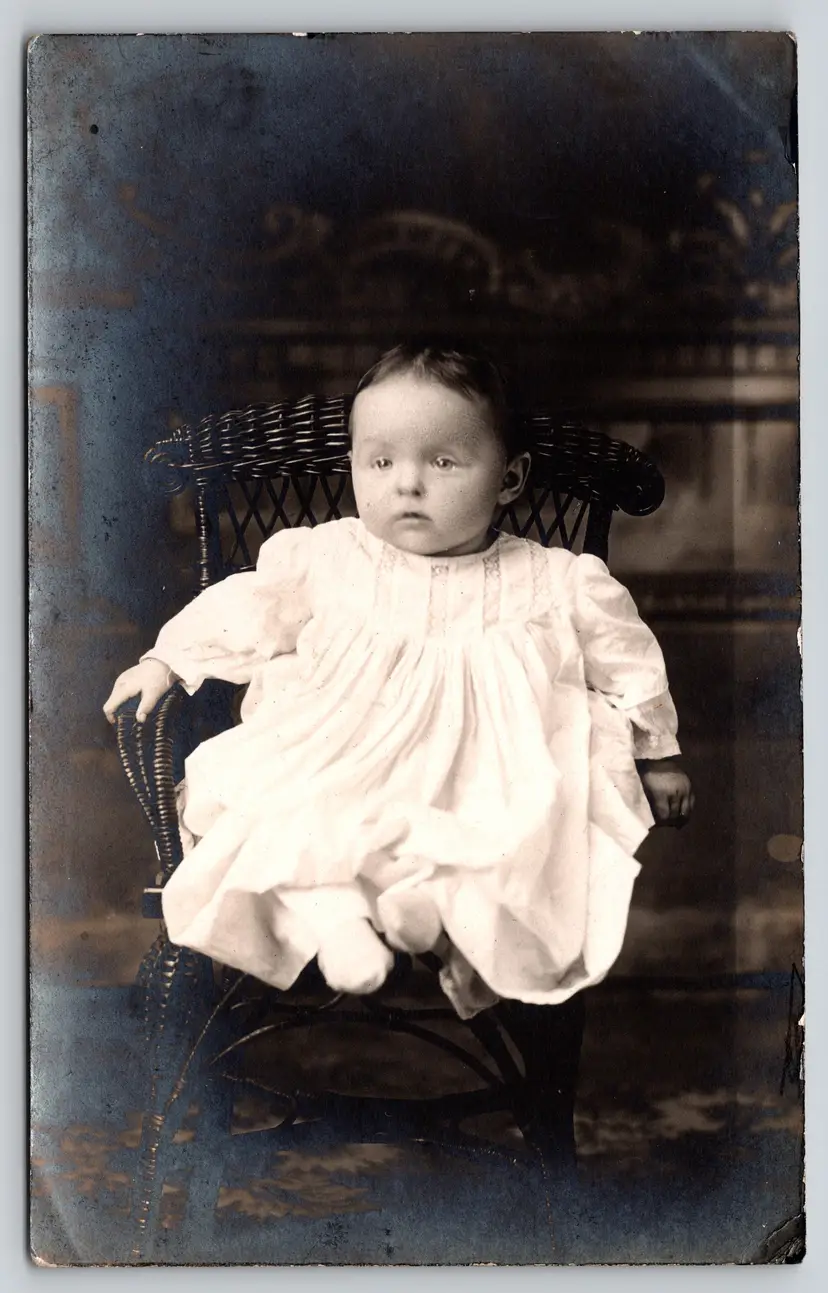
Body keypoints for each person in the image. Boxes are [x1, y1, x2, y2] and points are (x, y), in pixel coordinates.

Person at [104, 342, 693, 1019]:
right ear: (354, 464)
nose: (406, 483)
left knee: (520, 827)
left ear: (509, 478)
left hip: (484, 765)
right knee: (280, 806)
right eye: (380, 462)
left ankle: (428, 920)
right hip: (339, 744)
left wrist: (659, 751)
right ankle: (340, 922)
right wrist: (169, 659)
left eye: (442, 462)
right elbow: (248, 607)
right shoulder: (328, 557)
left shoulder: (555, 579)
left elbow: (626, 656)